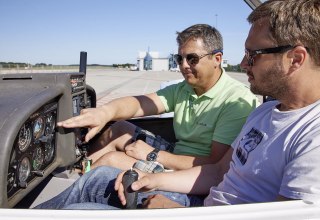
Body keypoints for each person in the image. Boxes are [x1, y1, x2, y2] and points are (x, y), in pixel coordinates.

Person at [35, 0, 320, 210]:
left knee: (79, 211)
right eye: (180, 59)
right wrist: (155, 181)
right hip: (205, 198)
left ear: (295, 59)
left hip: (196, 207)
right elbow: (219, 172)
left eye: (253, 55)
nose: (244, 63)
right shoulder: (265, 112)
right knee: (93, 180)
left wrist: (177, 206)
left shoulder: (311, 135)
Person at [58, 24, 258, 172]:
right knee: (118, 128)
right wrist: (105, 112)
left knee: (112, 160)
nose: (184, 65)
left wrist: (153, 155)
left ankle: (83, 188)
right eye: (179, 59)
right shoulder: (184, 89)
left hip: (194, 171)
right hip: (176, 153)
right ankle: (84, 170)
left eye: (192, 58)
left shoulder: (235, 100)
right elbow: (140, 104)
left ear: (217, 59)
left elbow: (214, 164)